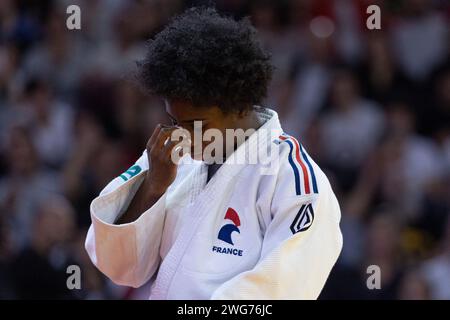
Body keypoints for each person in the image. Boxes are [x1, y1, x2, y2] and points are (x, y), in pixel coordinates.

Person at [85, 7, 342, 300]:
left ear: (240, 105)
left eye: (198, 125)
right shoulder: (170, 157)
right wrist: (154, 188)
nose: (183, 135)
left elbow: (280, 291)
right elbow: (118, 266)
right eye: (174, 121)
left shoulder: (293, 179)